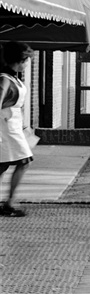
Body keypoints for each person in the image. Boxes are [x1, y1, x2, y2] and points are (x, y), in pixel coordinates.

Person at [0, 41, 35, 217]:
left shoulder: (12, 78)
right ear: (21, 60)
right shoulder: (5, 79)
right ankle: (9, 203)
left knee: (4, 165)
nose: (28, 63)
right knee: (22, 162)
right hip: (5, 129)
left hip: (13, 127)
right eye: (27, 59)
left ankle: (8, 202)